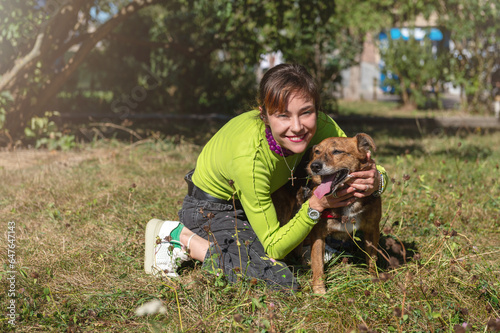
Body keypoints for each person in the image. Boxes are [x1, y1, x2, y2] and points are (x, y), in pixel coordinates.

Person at [144, 63, 388, 291]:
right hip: (215, 208)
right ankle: (175, 236)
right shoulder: (249, 157)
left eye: (306, 112)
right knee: (276, 279)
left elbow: (358, 156)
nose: (297, 127)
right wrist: (314, 208)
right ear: (264, 114)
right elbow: (275, 247)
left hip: (270, 197)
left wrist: (377, 181)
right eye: (283, 115)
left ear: (316, 109)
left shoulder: (321, 126)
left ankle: (297, 244)